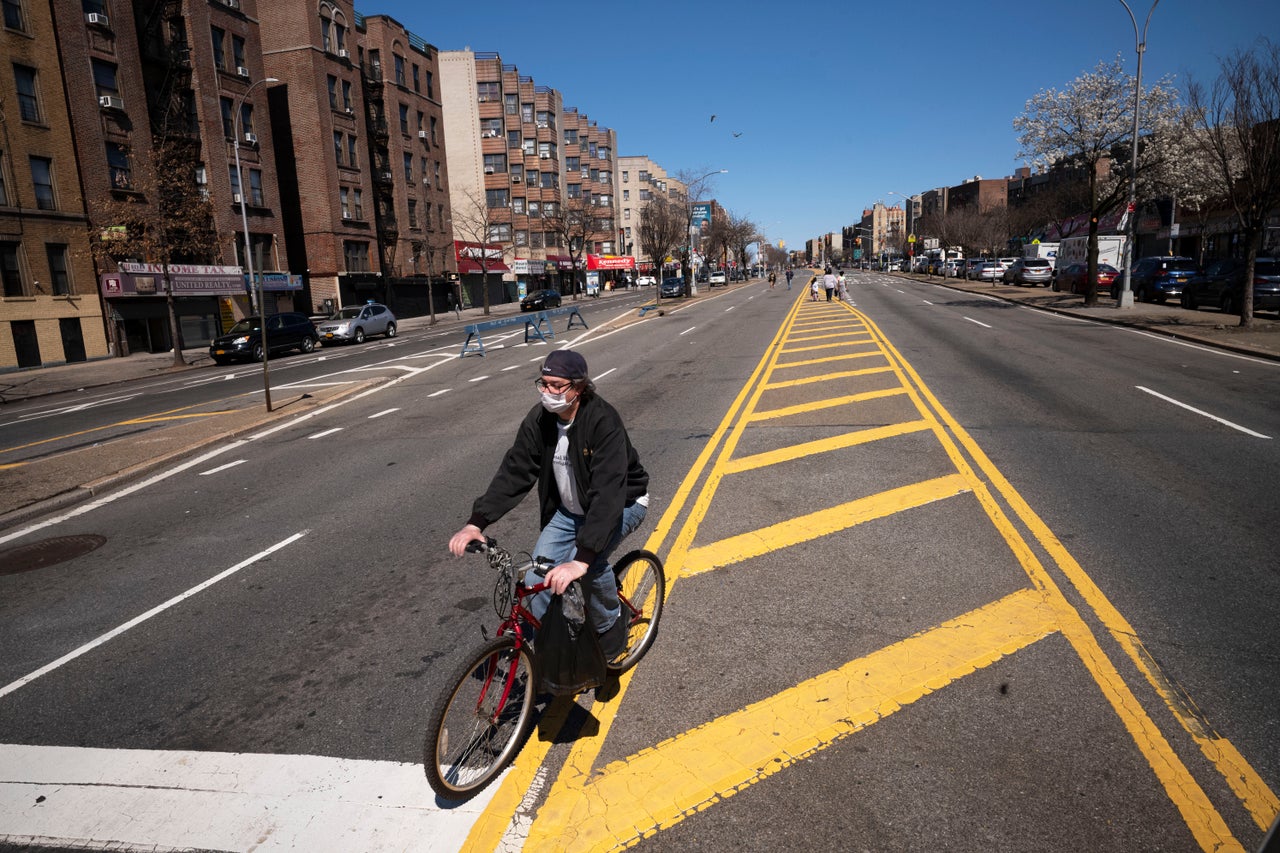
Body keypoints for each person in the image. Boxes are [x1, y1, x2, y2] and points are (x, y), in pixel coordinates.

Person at [448, 349, 649, 660]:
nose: (549, 392)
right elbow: (516, 471)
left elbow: (607, 494)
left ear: (579, 387)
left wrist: (581, 559)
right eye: (544, 384)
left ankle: (611, 627)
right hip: (571, 512)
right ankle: (554, 645)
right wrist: (477, 522)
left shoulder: (602, 421)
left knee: (590, 566)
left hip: (623, 503)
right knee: (535, 577)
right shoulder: (540, 420)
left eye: (557, 385)